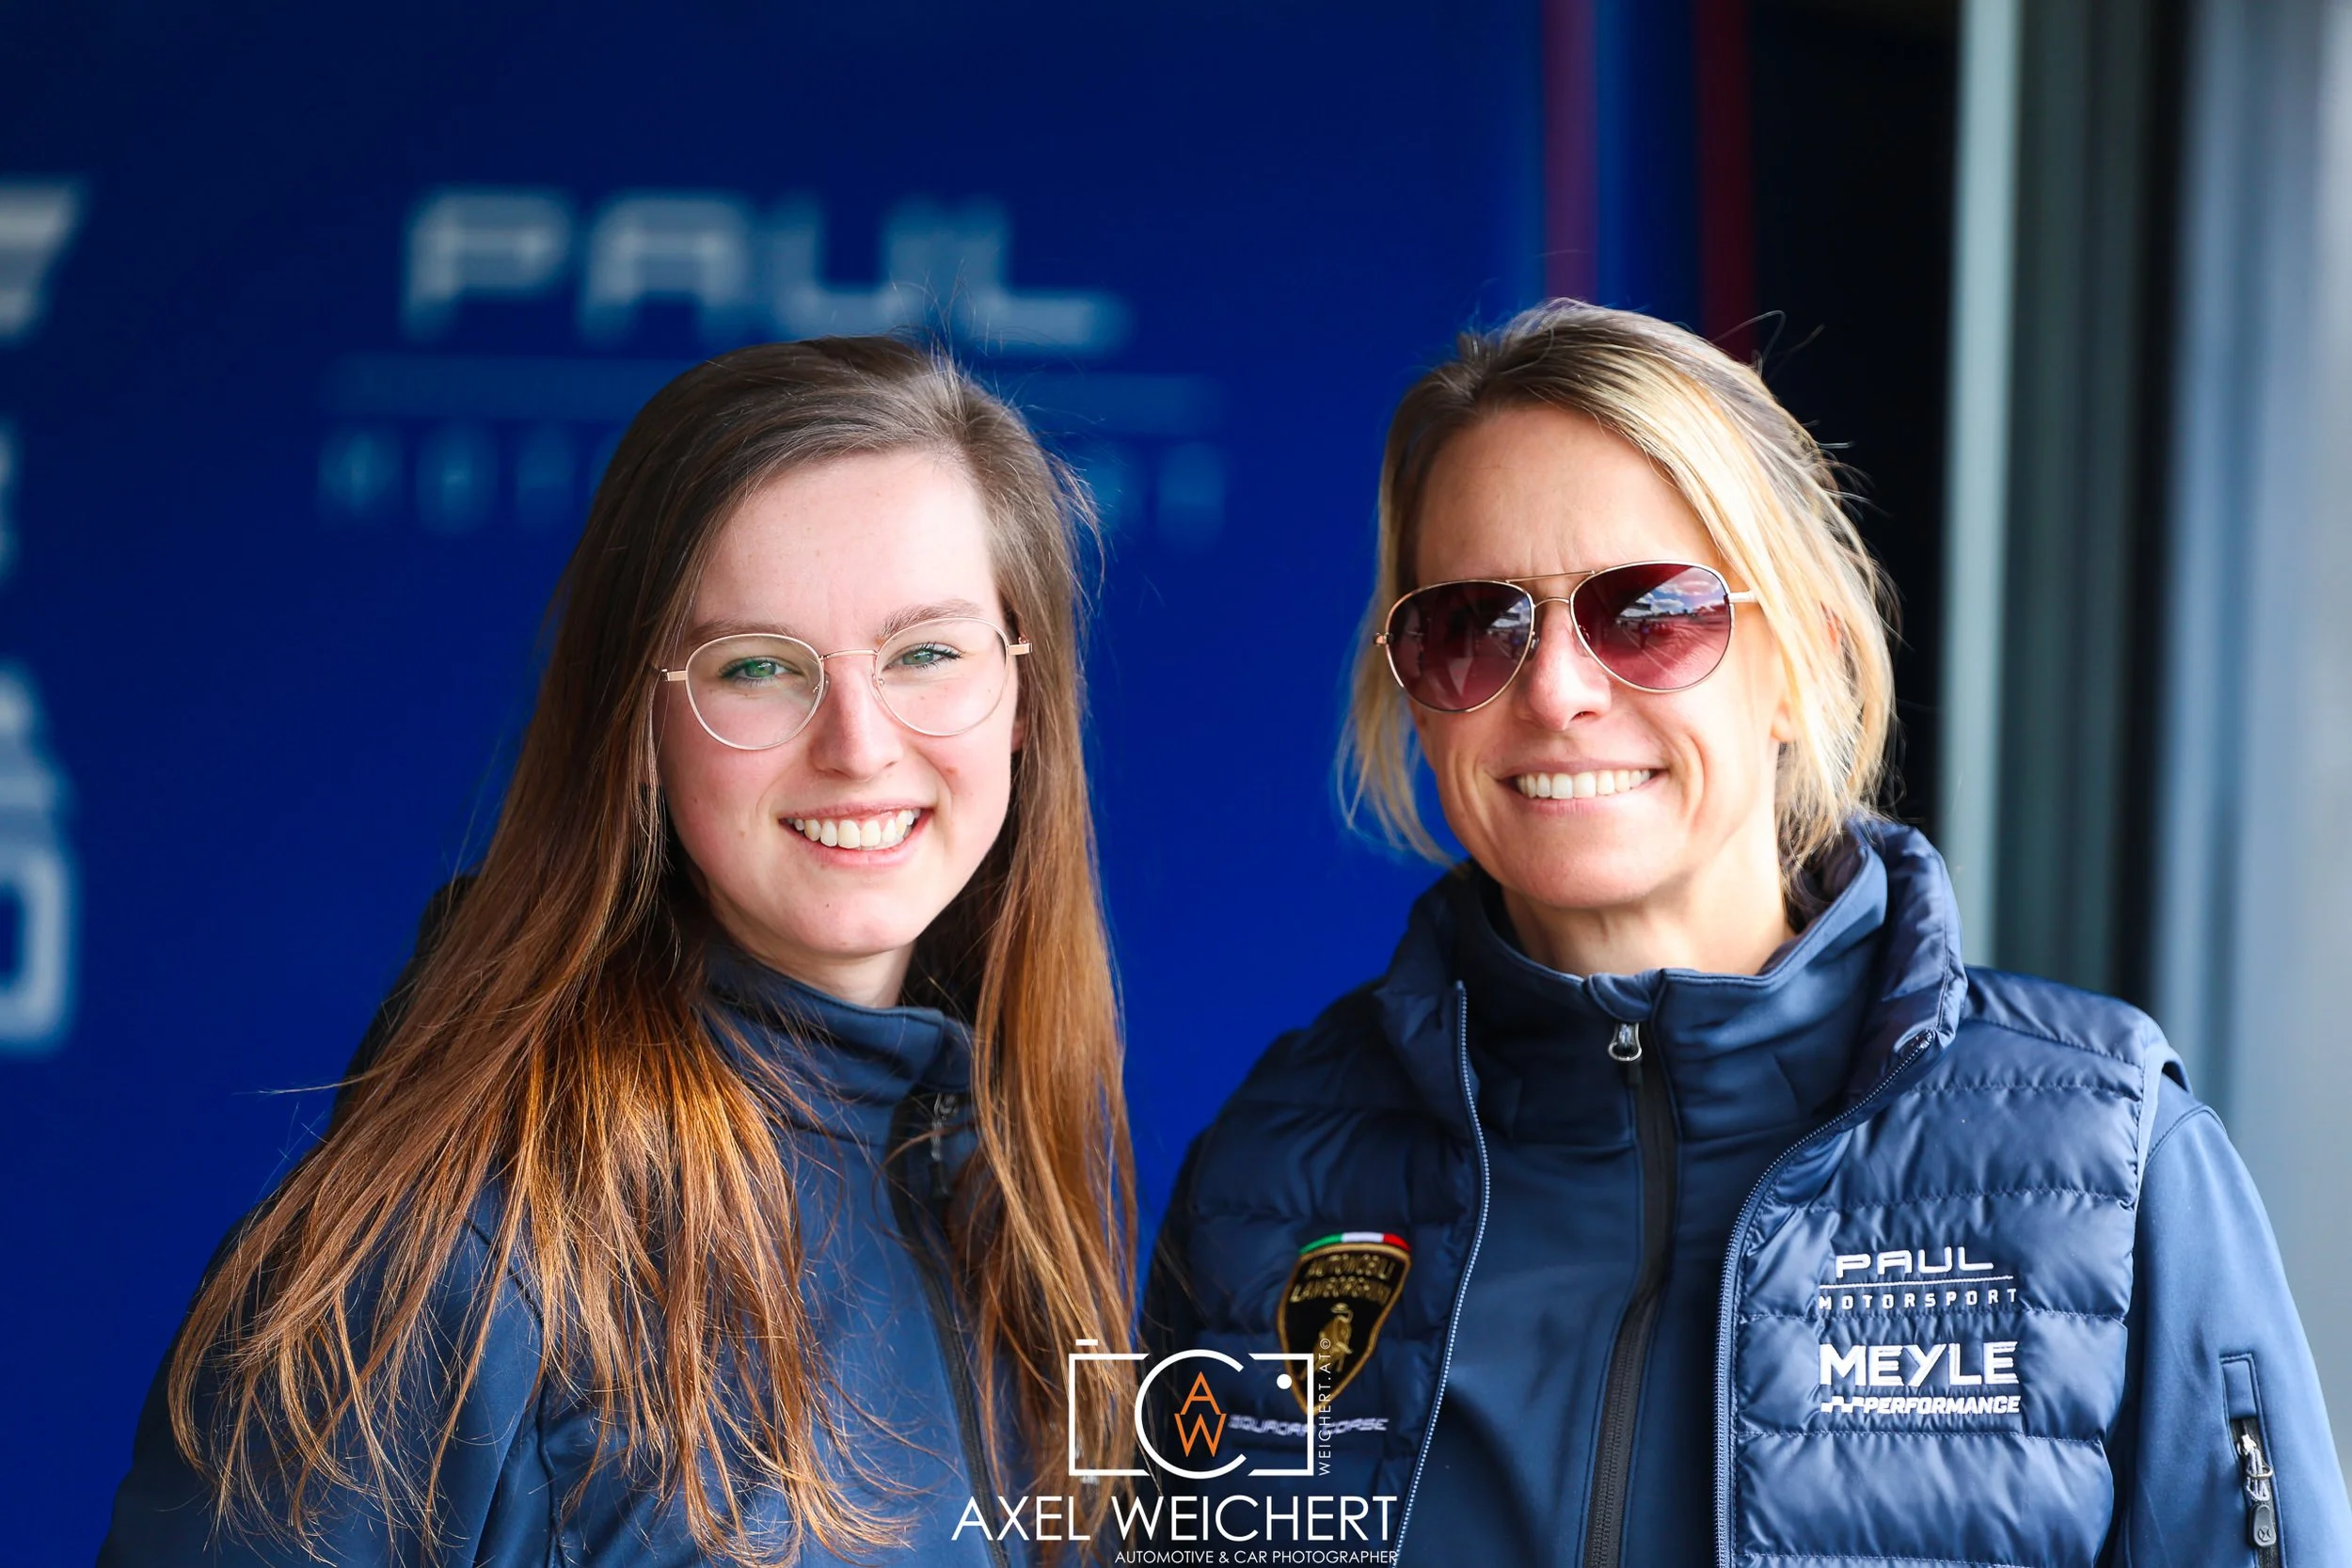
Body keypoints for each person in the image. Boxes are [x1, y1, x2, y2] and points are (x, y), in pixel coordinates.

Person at [1142, 300, 2352, 1566]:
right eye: (1472, 626)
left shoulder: (2113, 1153)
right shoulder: (1271, 1166)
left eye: (1649, 615)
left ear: (1798, 662)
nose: (1554, 690)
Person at [103, 338, 1136, 1567]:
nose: (859, 744)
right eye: (758, 666)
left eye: (926, 653)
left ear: (1025, 694)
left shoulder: (991, 1181)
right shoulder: (459, 1242)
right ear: (635, 719)